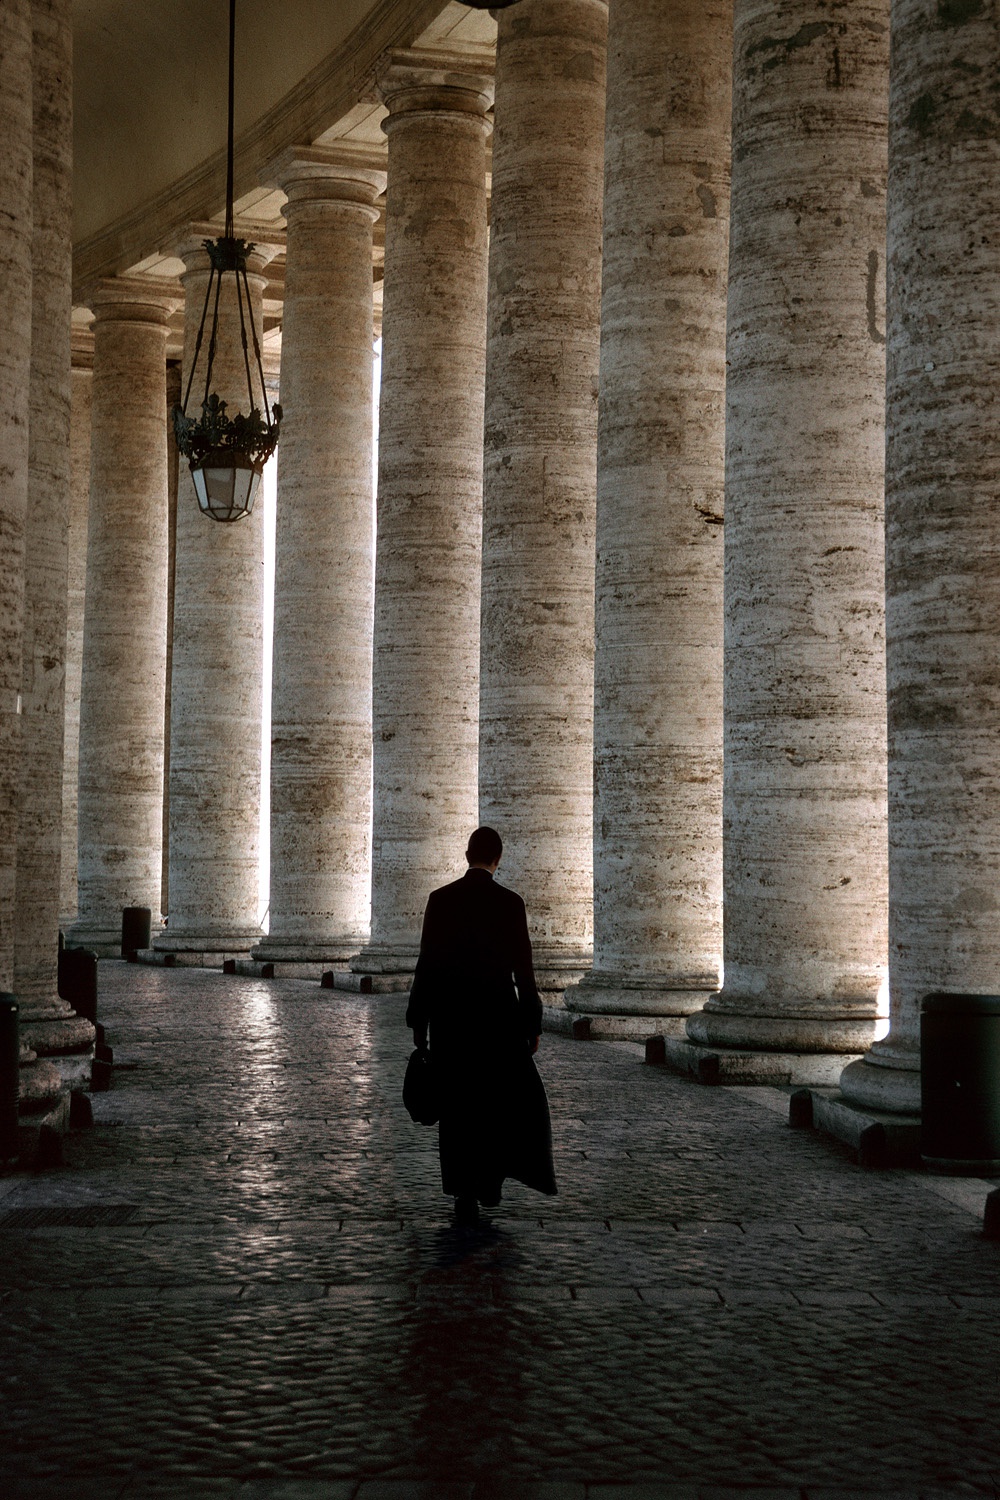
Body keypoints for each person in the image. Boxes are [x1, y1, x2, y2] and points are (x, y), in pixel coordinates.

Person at [406, 826, 557, 1226]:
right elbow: (524, 971)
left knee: (458, 1107)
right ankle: (489, 1184)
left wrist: (418, 1020)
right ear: (497, 859)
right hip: (498, 1021)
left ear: (466, 855)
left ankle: (463, 1191)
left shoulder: (440, 900)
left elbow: (427, 965)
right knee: (493, 1103)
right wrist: (533, 1022)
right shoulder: (511, 903)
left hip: (452, 1021)